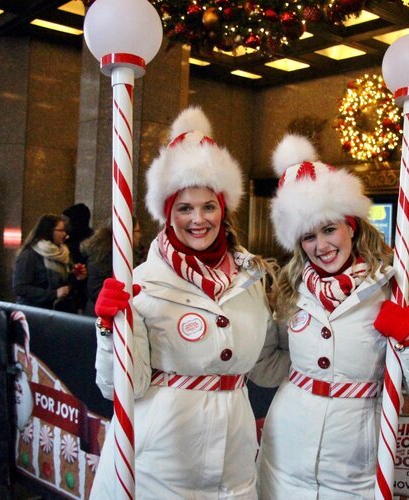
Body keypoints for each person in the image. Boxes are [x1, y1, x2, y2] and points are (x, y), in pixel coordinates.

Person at [89, 107, 288, 499]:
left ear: (224, 208)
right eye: (184, 208)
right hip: (160, 461)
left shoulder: (251, 277)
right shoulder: (142, 284)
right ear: (167, 213)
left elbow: (266, 367)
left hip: (233, 457)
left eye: (208, 206)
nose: (198, 219)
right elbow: (120, 388)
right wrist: (109, 330)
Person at [257, 134, 409, 498]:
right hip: (285, 453)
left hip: (355, 464)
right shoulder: (289, 291)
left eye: (330, 229)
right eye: (308, 236)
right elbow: (266, 366)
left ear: (352, 226)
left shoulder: (398, 288)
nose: (322, 246)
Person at [12, 214, 86, 311]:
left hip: (59, 311)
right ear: (49, 231)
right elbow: (20, 288)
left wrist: (77, 277)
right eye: (61, 230)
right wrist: (53, 294)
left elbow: (66, 287)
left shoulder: (63, 253)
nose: (65, 234)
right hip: (35, 312)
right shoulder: (29, 255)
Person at [80, 217, 143, 317]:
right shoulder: (106, 255)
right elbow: (96, 290)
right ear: (127, 232)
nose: (140, 235)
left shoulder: (124, 253)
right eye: (138, 231)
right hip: (103, 316)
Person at [63, 203, 93, 313]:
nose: (63, 224)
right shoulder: (67, 241)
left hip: (80, 295)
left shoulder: (84, 244)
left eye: (65, 220)